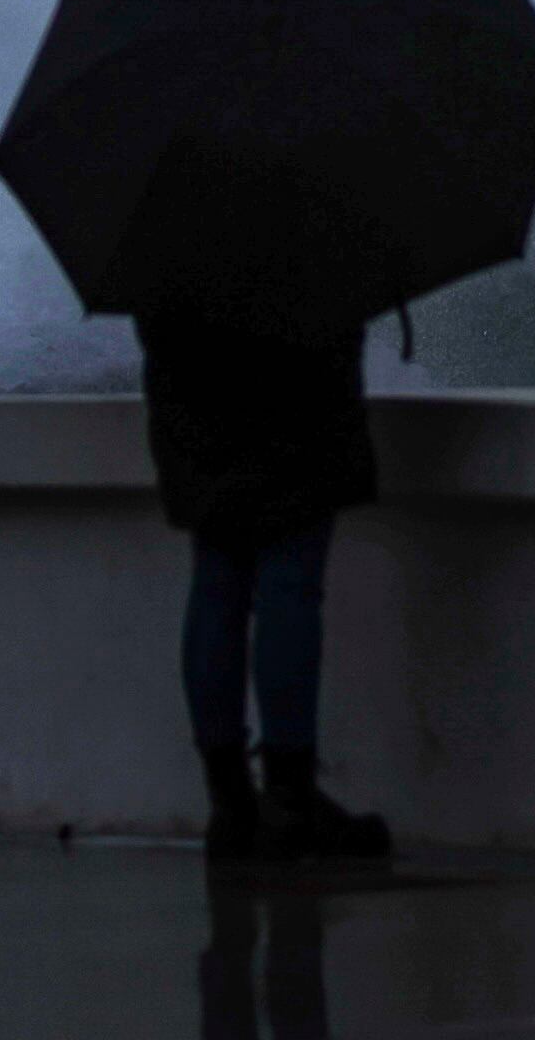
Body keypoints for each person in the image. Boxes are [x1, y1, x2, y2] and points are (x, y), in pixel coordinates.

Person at [140, 295, 394, 863]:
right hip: (294, 374)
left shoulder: (169, 224)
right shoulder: (304, 222)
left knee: (216, 580)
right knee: (289, 578)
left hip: (191, 370)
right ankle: (289, 797)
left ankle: (230, 805)